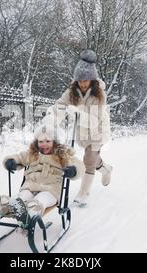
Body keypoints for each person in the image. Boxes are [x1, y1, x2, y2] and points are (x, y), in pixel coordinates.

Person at [0, 122, 85, 227]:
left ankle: (29, 216)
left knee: (39, 201)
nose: (44, 144)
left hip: (51, 190)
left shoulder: (63, 155)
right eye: (41, 141)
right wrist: (11, 161)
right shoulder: (32, 154)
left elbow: (80, 166)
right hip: (30, 187)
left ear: (54, 142)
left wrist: (74, 170)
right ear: (36, 142)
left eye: (48, 141)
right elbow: (19, 157)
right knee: (19, 199)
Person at [46, 49, 113, 207]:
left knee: (88, 160)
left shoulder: (99, 95)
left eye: (86, 80)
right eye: (80, 80)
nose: (82, 83)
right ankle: (106, 169)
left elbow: (94, 121)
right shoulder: (72, 91)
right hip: (83, 131)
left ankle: (83, 193)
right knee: (94, 161)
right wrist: (50, 122)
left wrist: (76, 112)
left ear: (92, 79)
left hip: (98, 130)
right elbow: (60, 105)